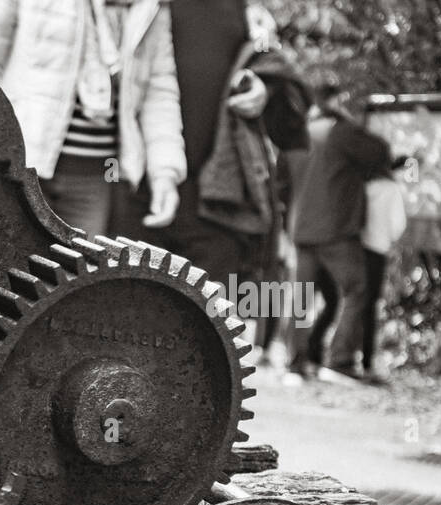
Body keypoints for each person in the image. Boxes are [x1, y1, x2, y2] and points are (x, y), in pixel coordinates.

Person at [110, 2, 309, 303]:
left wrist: (263, 89)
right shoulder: (137, 5)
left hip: (217, 203)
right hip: (133, 192)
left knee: (210, 331)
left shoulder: (247, 12)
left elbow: (286, 94)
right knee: (120, 319)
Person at [0, 0, 185, 237]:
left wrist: (165, 172)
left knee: (81, 270)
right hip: (21, 164)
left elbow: (159, 89)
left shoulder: (153, 5)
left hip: (103, 172)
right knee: (8, 264)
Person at [287, 84, 394, 381]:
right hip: (334, 230)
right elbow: (380, 152)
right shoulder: (341, 132)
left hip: (302, 229)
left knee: (301, 298)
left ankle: (295, 363)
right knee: (357, 289)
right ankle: (340, 361)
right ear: (333, 103)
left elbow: (282, 183)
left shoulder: (300, 134)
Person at [353, 158, 410, 384]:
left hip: (358, 248)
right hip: (377, 250)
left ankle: (347, 355)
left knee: (355, 301)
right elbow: (398, 226)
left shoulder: (367, 185)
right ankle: (366, 361)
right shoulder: (393, 189)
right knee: (370, 306)